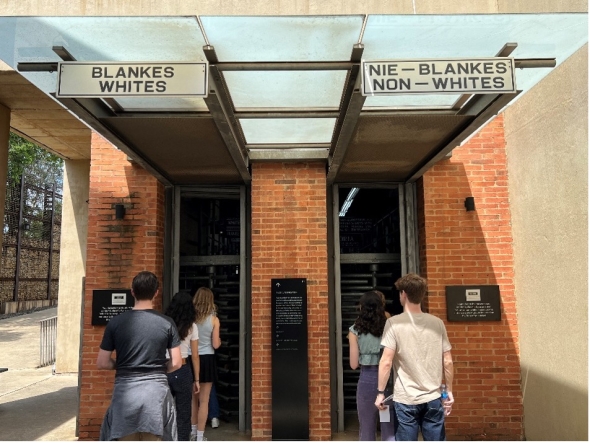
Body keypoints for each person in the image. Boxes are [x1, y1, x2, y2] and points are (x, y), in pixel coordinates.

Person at [96, 271, 182, 441]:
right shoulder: (167, 323)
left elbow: (102, 362)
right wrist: (160, 369)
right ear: (156, 293)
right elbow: (178, 362)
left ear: (132, 292)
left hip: (125, 393)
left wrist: (120, 365)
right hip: (156, 393)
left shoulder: (115, 323)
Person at [375, 273, 454, 441]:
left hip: (406, 398)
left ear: (403, 294)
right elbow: (447, 360)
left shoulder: (394, 323)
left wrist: (381, 393)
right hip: (433, 396)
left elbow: (386, 362)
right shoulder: (437, 323)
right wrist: (449, 391)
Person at [348, 290, 395, 441]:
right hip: (387, 381)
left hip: (367, 380)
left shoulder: (354, 330)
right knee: (387, 425)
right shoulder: (389, 325)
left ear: (362, 307)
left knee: (367, 427)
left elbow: (354, 364)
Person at [165, 292, 201, 441]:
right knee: (184, 413)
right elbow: (195, 355)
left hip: (164, 370)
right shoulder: (192, 326)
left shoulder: (165, 323)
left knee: (163, 412)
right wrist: (197, 379)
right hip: (183, 370)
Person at [190, 287, 221, 441]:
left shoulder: (190, 319)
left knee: (193, 401)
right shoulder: (214, 320)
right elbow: (215, 345)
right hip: (207, 358)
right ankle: (200, 437)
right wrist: (219, 341)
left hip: (191, 357)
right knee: (204, 400)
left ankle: (192, 432)